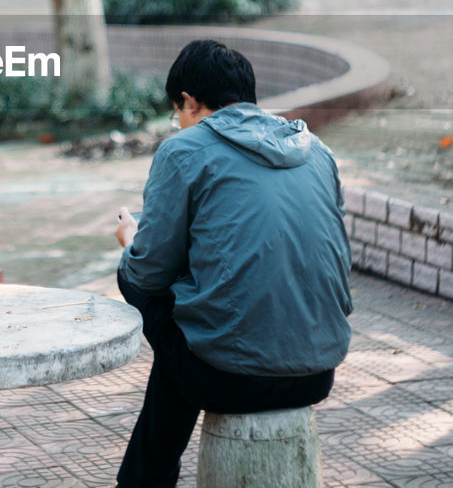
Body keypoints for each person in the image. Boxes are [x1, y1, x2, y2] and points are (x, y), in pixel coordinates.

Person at [113, 39, 353, 487]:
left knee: (147, 292)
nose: (179, 123)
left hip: (227, 377)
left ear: (187, 101)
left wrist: (131, 242)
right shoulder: (317, 151)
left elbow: (148, 273)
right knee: (186, 327)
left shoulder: (183, 151)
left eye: (176, 113)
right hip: (318, 371)